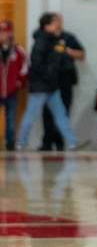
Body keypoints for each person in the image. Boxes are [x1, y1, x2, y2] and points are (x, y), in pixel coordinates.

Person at [16, 13, 77, 151]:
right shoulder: (41, 41)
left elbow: (56, 59)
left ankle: (72, 142)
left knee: (60, 114)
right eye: (55, 22)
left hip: (51, 86)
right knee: (30, 114)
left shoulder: (55, 40)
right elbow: (37, 64)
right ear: (46, 25)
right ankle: (21, 142)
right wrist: (50, 75)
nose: (58, 25)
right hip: (40, 87)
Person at [40, 14, 85, 151]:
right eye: (54, 21)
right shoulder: (43, 38)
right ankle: (47, 142)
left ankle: (59, 141)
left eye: (59, 20)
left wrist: (68, 51)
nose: (58, 23)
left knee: (64, 110)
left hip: (65, 78)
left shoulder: (68, 37)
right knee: (47, 111)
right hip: (48, 79)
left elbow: (81, 54)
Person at [0, 21, 26, 150]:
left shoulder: (18, 50)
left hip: (11, 91)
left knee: (10, 120)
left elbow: (25, 68)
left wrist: (19, 81)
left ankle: (10, 144)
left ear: (10, 33)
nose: (2, 35)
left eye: (5, 32)